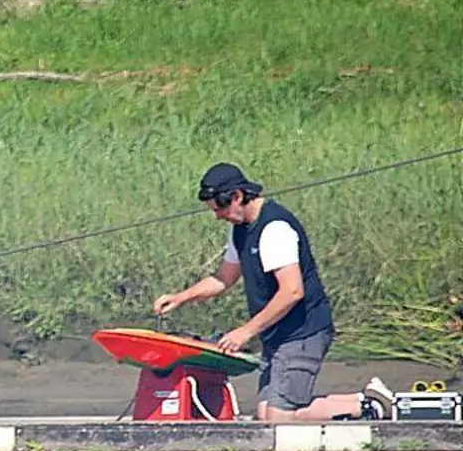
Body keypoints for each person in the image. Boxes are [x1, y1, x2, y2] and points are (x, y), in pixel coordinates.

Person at [152, 162, 393, 421]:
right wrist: (180, 298)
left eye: (220, 209)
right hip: (276, 334)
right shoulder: (240, 229)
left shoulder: (275, 229)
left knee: (278, 418)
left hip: (303, 331)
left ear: (237, 196)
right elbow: (223, 278)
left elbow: (292, 292)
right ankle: (364, 401)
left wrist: (245, 331)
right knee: (265, 413)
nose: (218, 216)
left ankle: (372, 406)